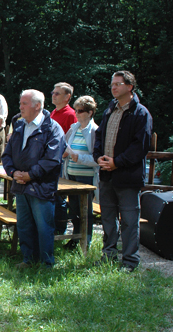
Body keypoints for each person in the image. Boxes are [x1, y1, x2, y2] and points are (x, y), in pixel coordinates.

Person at [93, 71, 152, 272]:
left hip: (127, 177)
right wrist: (98, 156)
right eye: (112, 84)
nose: (113, 87)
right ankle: (108, 256)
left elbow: (140, 146)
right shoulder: (110, 109)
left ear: (130, 87)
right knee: (108, 218)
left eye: (118, 84)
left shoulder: (141, 113)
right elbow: (99, 135)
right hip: (107, 174)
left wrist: (117, 162)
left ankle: (129, 261)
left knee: (129, 221)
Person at [1, 89, 65, 268]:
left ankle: (46, 263)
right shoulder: (19, 127)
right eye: (21, 103)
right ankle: (28, 259)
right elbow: (7, 155)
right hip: (21, 185)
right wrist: (13, 173)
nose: (20, 107)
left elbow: (52, 159)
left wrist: (30, 175)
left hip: (41, 187)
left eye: (24, 103)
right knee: (24, 225)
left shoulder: (52, 129)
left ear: (37, 106)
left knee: (44, 227)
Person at [62, 96, 99, 249]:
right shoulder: (73, 128)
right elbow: (64, 146)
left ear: (90, 112)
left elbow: (98, 158)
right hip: (71, 173)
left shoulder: (95, 131)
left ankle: (86, 241)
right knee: (74, 208)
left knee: (85, 210)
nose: (77, 113)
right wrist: (64, 153)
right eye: (76, 110)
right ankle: (75, 238)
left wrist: (80, 158)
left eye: (81, 111)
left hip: (86, 176)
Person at [50, 82, 77, 234]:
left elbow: (70, 144)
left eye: (57, 93)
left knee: (60, 197)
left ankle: (60, 230)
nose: (53, 95)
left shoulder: (71, 115)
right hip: (52, 161)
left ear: (67, 97)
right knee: (53, 195)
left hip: (62, 162)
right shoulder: (53, 113)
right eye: (53, 92)